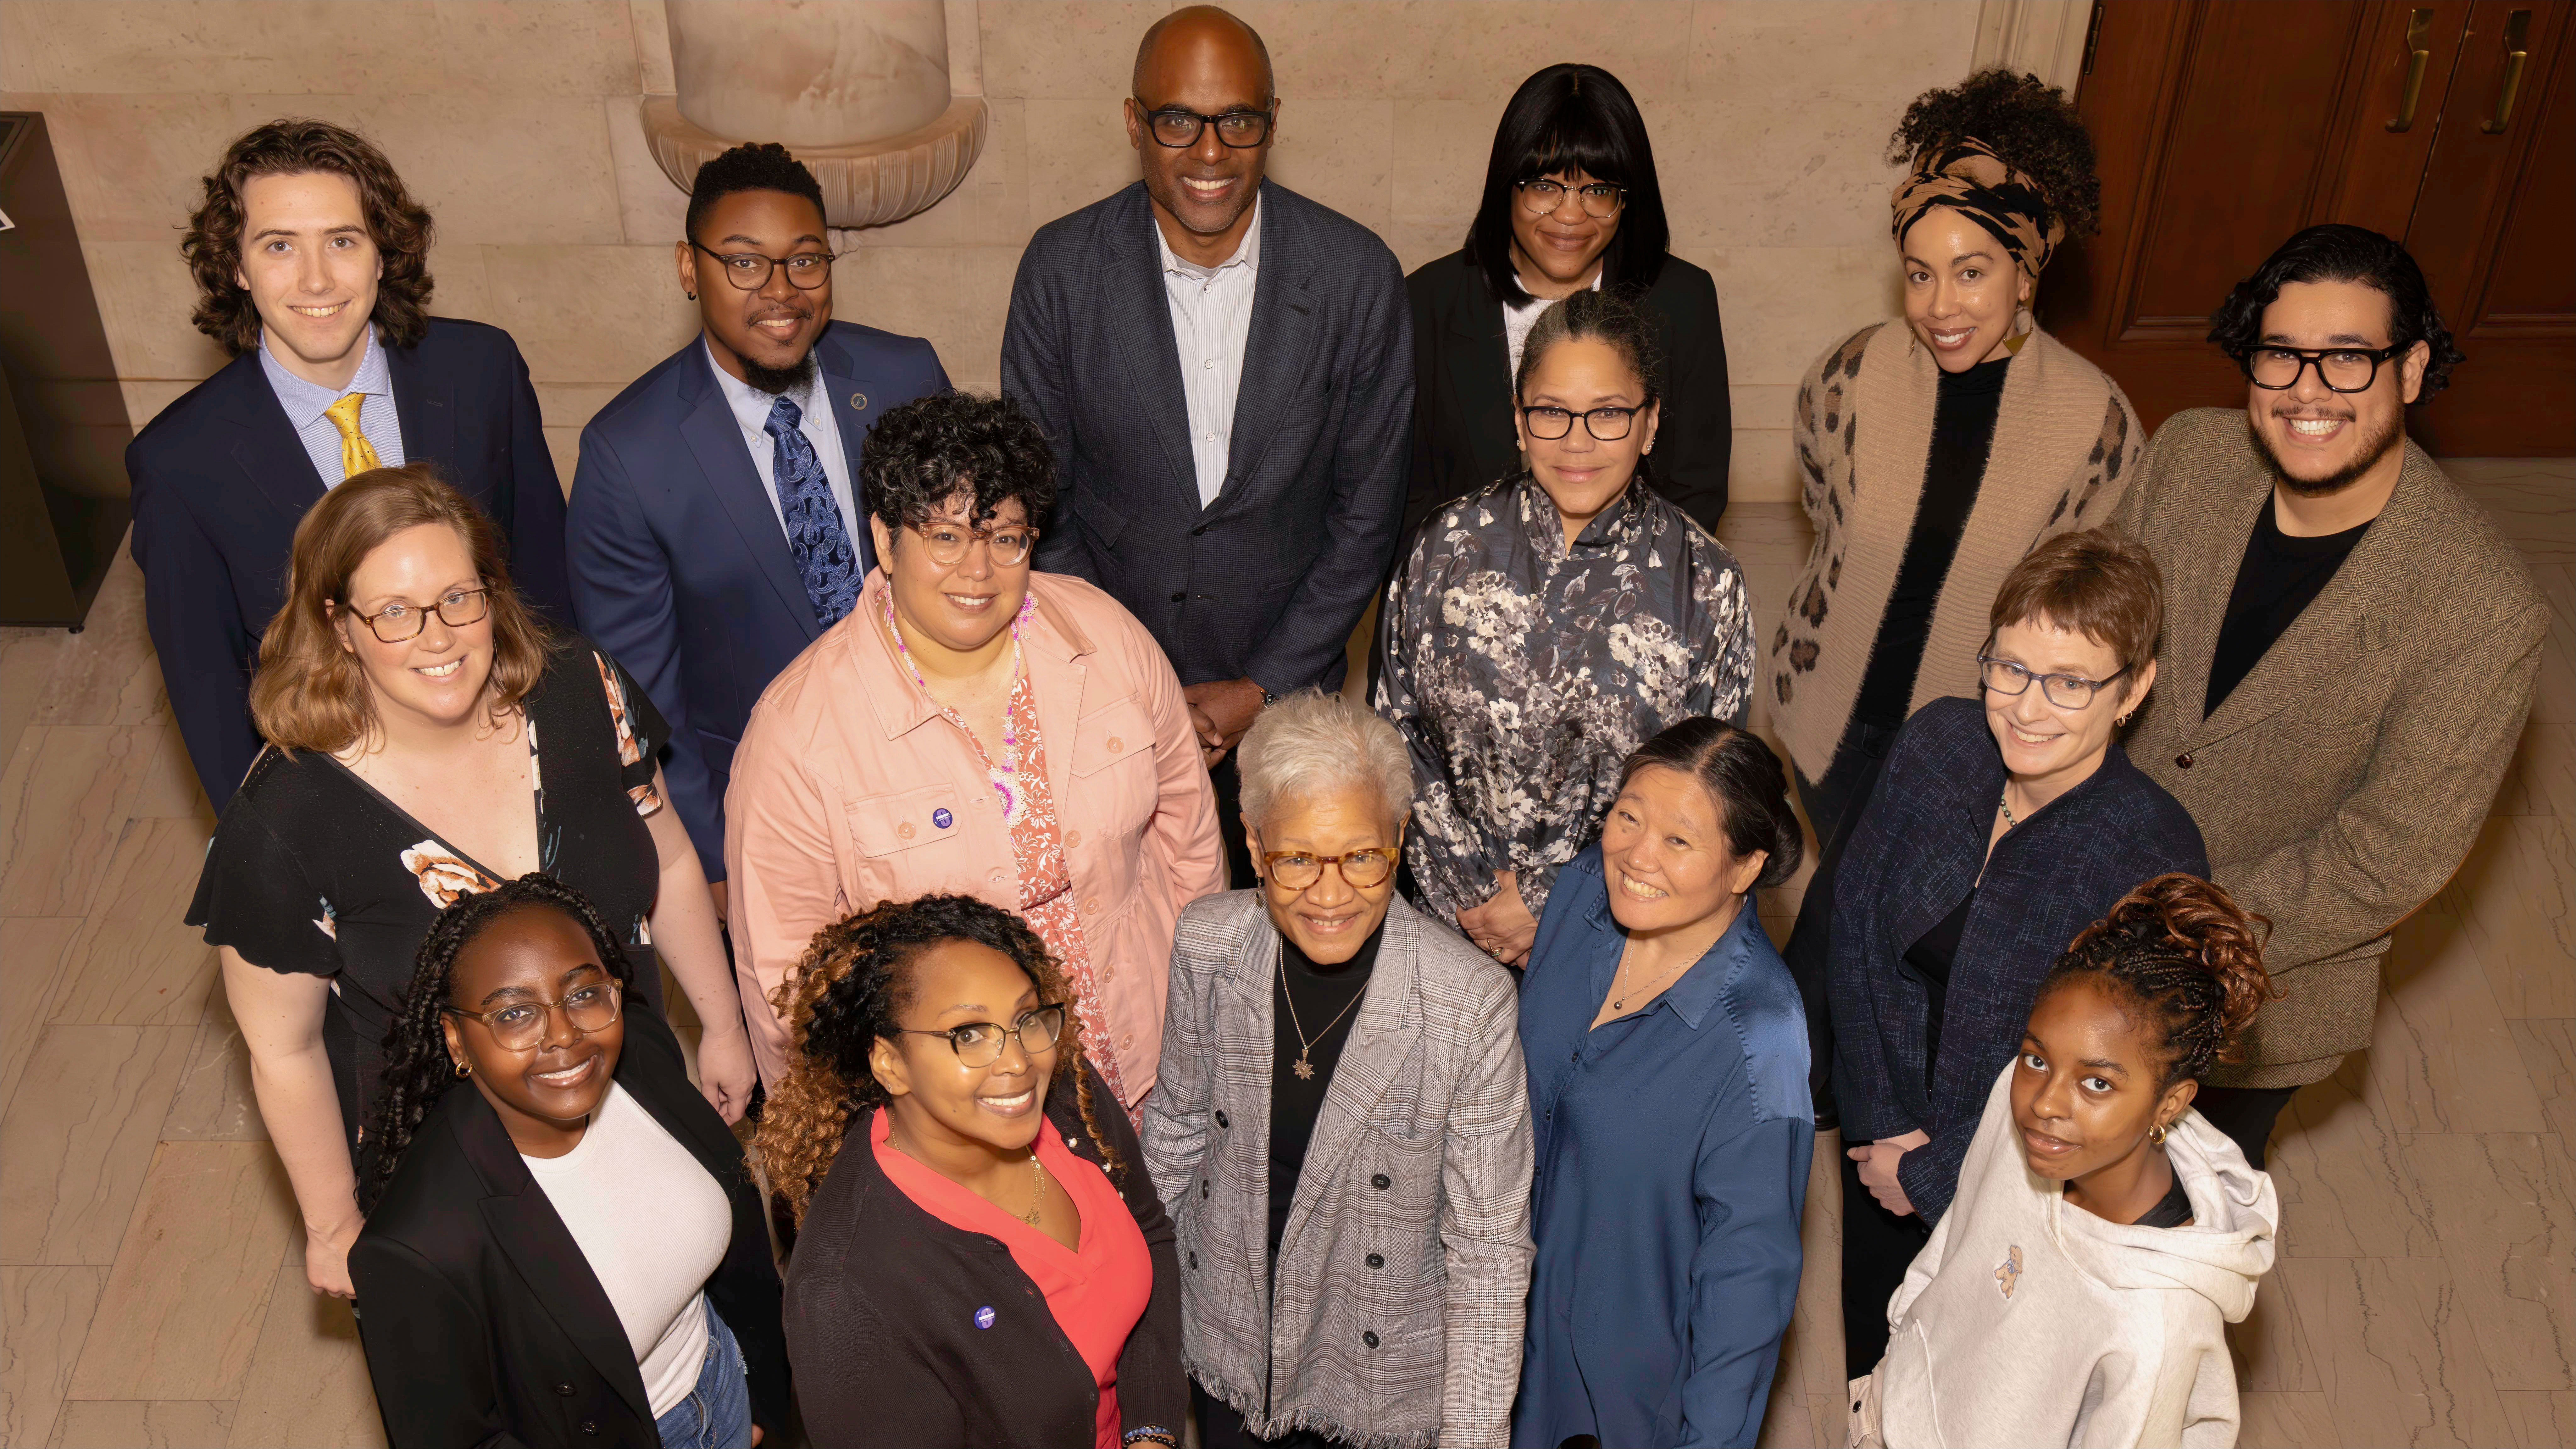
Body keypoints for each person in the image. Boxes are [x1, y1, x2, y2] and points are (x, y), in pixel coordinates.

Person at [187, 466, 755, 1300]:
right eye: (394, 613)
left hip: (627, 1066)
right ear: (339, 627)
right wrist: (333, 1226)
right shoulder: (286, 818)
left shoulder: (582, 691)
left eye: (460, 597)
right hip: (456, 1153)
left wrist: (723, 1023)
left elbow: (666, 855)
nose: (439, 637)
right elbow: (285, 1048)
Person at [2110, 224, 2547, 1169]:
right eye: (2281, 355)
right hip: (2073, 895)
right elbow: (2098, 630)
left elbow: (2386, 858)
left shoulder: (2483, 609)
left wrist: (2148, 931)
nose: (2308, 391)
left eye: (2349, 358)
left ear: (2412, 368)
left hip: (2249, 994)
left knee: (2159, 1252)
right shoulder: (2190, 454)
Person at [1772, 68, 2144, 1124]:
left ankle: (1807, 1100)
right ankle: (1834, 1092)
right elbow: (1826, 523)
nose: (1942, 304)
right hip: (1834, 715)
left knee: (1859, 923)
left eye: (1973, 271)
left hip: (1971, 740)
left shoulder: (2097, 424)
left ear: (2028, 271)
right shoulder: (1843, 378)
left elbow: (2082, 603)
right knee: (1860, 912)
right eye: (1920, 272)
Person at [1001, 5, 1412, 888]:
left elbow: (1367, 515)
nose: (1210, 152)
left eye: (1239, 121)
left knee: (1286, 939)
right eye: (1179, 121)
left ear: (1272, 122)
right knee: (1129, 953)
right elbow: (1041, 502)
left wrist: (1261, 685)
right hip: (1102, 691)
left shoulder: (1355, 276)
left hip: (1289, 697)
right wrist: (1132, 673)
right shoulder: (1061, 271)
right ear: (1134, 123)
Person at [725, 392, 1223, 1103]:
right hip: (953, 1120)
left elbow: (1190, 845)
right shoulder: (798, 733)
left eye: (1004, 538)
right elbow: (788, 989)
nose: (978, 571)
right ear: (885, 541)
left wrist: (1206, 1030)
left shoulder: (1106, 638)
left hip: (1150, 1069)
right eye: (944, 537)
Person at [1828, 528, 2207, 1379]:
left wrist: (1932, 1175)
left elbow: (2108, 1083)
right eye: (2011, 668)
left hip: (2029, 1192)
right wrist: (1881, 1128)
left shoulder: (2152, 856)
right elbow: (1853, 927)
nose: (2028, 709)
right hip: (1878, 1148)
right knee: (1876, 1363)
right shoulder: (1938, 746)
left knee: (1978, 1388)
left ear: (2134, 688)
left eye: (2071, 683)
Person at [129, 118, 571, 811]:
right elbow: (208, 693)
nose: (316, 279)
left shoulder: (483, 371)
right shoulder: (181, 463)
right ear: (238, 268)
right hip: (343, 796)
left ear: (383, 254)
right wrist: (276, 863)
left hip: (508, 747)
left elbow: (546, 579)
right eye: (279, 246)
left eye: (342, 240)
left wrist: (575, 754)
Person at [1141, 692, 1532, 1449]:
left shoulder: (1468, 1004)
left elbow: (1488, 1249)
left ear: (1399, 839)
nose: (1330, 895)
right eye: (1295, 860)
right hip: (1225, 1328)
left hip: (1374, 1366)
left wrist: (1476, 1437)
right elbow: (1177, 1134)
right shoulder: (1208, 945)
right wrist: (1133, 1319)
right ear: (1254, 847)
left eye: (1361, 856)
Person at [568, 142, 950, 913]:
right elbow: (644, 700)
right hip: (769, 820)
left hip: (943, 776)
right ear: (689, 268)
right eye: (745, 264)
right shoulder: (628, 452)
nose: (781, 291)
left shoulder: (904, 378)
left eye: (806, 261)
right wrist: (713, 863)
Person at [1376, 291, 1751, 968]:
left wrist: (1550, 900)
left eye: (1608, 413)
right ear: (1520, 422)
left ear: (1650, 422)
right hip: (1446, 933)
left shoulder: (1707, 583)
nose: (1577, 441)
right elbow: (1397, 729)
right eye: (1551, 412)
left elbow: (1699, 793)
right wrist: (1473, 896)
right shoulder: (1447, 545)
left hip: (1615, 939)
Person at [350, 877, 790, 1449]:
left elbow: (743, 1260)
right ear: (457, 1040)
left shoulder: (641, 1056)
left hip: (729, 1386)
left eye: (583, 995)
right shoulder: (416, 1247)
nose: (565, 1037)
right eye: (513, 1015)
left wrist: (757, 1402)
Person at [1851, 874, 2280, 1449]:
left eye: (2098, 1083)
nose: (2046, 1103)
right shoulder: (2032, 1117)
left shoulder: (2155, 1325)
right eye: (2036, 1058)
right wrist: (1900, 1359)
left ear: (2171, 1102)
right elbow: (1956, 1248)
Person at [756, 894, 1184, 1449]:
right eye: (970, 1035)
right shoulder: (846, 1292)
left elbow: (1150, 1233)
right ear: (889, 1062)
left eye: (1026, 1019)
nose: (1018, 1062)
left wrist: (1150, 1429)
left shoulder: (1063, 1095)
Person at [1513, 719, 1810, 1449]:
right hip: (1498, 1324)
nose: (1636, 856)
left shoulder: (1758, 1045)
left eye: (1678, 841)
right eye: (1627, 818)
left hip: (1614, 1394)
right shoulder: (1584, 892)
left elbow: (1746, 1289)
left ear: (1744, 869)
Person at [1405, 62, 1731, 539]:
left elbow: (1696, 491)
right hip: (1462, 595)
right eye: (1544, 187)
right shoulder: (1426, 301)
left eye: (1598, 190)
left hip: (1634, 598)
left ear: (1627, 198)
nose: (1571, 216)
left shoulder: (1683, 300)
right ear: (1506, 187)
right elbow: (1406, 497)